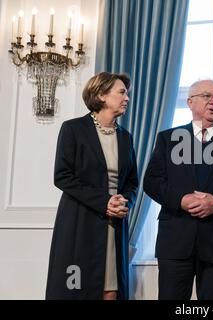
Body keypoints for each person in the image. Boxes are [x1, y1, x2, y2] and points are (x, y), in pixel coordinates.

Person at [143, 79, 213, 300]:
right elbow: (151, 181)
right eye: (207, 96)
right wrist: (180, 200)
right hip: (175, 242)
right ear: (190, 102)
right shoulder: (168, 139)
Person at [46, 72, 138, 300]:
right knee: (76, 289)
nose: (127, 98)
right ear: (101, 95)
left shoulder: (126, 137)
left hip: (115, 224)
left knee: (111, 291)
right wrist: (104, 201)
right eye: (121, 92)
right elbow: (62, 176)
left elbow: (133, 182)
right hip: (81, 220)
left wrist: (124, 202)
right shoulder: (73, 129)